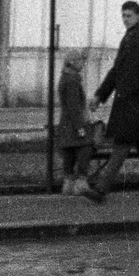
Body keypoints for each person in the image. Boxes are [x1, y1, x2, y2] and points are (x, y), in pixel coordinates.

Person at [85, 1, 139, 204]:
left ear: (138, 16)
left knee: (122, 144)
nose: (125, 19)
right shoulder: (128, 38)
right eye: (123, 15)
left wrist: (132, 88)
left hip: (138, 103)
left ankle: (101, 188)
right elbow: (116, 71)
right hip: (128, 103)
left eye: (129, 15)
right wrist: (100, 95)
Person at [56, 50, 94, 196]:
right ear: (72, 63)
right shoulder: (72, 80)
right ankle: (80, 183)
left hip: (66, 123)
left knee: (69, 152)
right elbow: (73, 106)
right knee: (86, 146)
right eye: (80, 62)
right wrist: (80, 127)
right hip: (74, 124)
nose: (82, 65)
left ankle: (68, 185)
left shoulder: (65, 78)